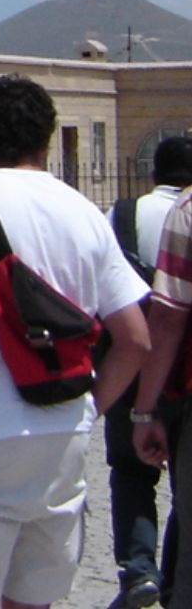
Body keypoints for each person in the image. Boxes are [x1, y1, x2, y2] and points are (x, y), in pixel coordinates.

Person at [0, 75, 149, 609]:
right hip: (62, 434)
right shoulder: (86, 212)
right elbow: (134, 339)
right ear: (48, 137)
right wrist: (90, 408)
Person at [109, 136, 192, 607]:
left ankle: (139, 567)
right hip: (184, 371)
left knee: (130, 469)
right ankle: (178, 574)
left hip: (136, 360)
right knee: (186, 484)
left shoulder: (122, 215)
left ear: (153, 173)